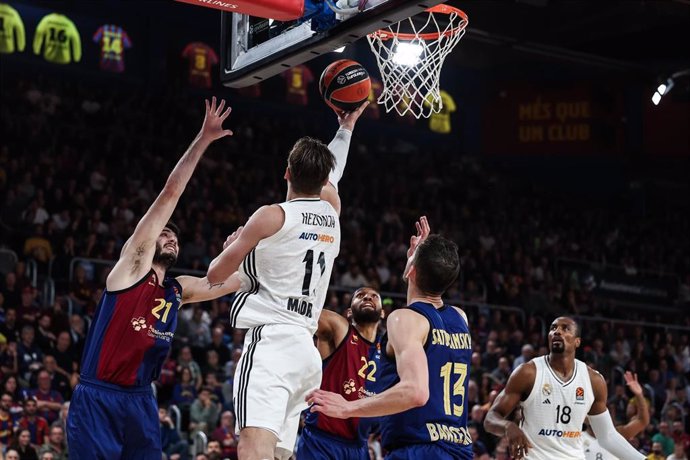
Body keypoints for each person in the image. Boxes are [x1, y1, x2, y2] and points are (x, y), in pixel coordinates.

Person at [67, 98, 244, 460]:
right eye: (164, 234)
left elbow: (231, 282)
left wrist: (253, 245)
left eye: (175, 238)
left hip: (140, 400)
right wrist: (204, 139)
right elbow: (170, 193)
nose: (171, 238)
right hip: (99, 396)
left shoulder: (177, 290)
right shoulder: (131, 269)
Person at [206, 102, 368, 460]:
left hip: (272, 345)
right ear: (323, 180)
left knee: (254, 451)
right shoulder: (332, 213)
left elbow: (215, 276)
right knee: (279, 455)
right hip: (305, 354)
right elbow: (334, 172)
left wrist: (233, 247)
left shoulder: (270, 217)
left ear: (286, 173)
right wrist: (346, 128)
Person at [307, 217, 474, 459]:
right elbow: (436, 278)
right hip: (459, 449)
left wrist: (347, 407)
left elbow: (416, 392)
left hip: (420, 450)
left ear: (411, 270)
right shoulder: (460, 318)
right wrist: (427, 258)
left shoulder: (402, 319)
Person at [483, 316, 645, 460]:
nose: (557, 332)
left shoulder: (593, 380)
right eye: (553, 328)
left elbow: (607, 436)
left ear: (577, 341)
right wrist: (508, 426)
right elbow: (491, 417)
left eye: (565, 328)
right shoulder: (528, 373)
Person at [298, 286, 385, 459]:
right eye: (360, 295)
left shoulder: (389, 350)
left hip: (359, 446)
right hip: (321, 441)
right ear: (349, 312)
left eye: (374, 296)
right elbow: (303, 312)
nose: (367, 298)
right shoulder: (340, 329)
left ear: (382, 313)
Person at [582, 371, 649, 460]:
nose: (594, 413)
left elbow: (642, 421)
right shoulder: (576, 435)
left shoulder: (616, 434)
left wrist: (639, 395)